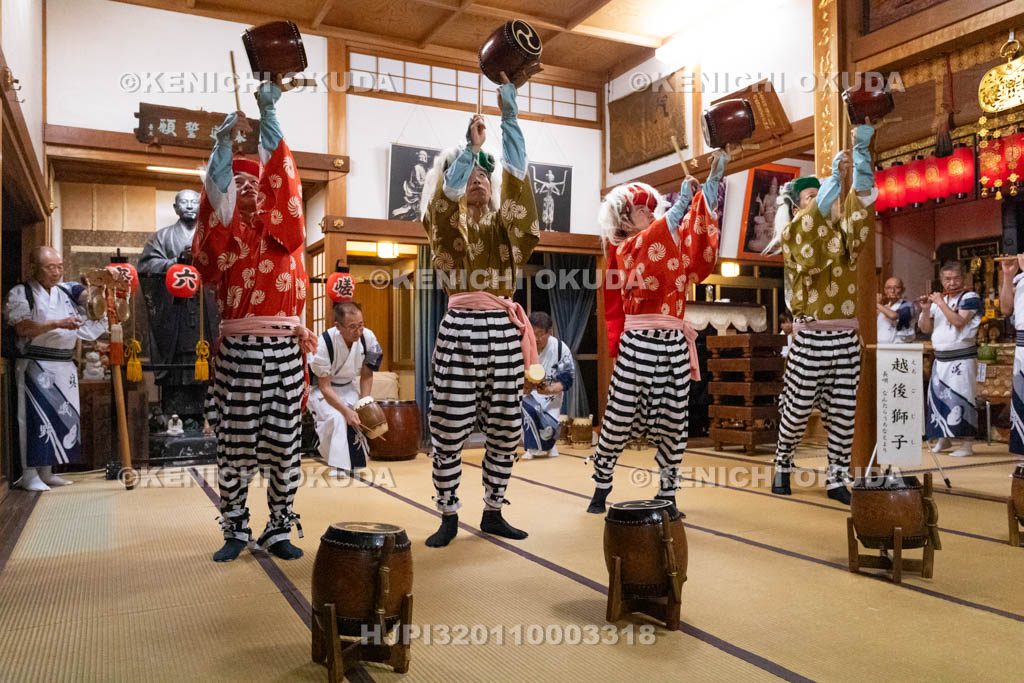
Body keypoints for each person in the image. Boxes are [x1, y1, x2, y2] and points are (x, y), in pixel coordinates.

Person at [192, 81, 314, 563]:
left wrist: (269, 116)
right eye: (237, 183)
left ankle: (279, 528)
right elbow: (215, 198)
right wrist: (222, 148)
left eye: (255, 182)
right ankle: (235, 529)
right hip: (239, 355)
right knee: (236, 447)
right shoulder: (227, 242)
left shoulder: (286, 235)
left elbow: (285, 178)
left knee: (284, 447)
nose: (247, 188)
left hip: (284, 352)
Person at [420, 78, 539, 547]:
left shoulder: (504, 227)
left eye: (485, 174)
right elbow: (443, 202)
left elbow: (520, 180)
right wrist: (468, 151)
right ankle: (448, 514)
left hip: (504, 331)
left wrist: (509, 116)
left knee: (507, 425)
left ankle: (493, 509)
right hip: (460, 330)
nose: (479, 179)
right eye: (471, 174)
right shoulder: (443, 220)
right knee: (448, 425)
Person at [587, 147, 730, 514]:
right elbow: (657, 236)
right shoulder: (626, 250)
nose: (651, 212)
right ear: (623, 219)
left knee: (675, 421)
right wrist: (682, 199)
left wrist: (714, 178)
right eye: (642, 208)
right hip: (640, 341)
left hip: (674, 343)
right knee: (618, 418)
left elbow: (696, 235)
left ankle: (668, 493)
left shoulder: (666, 240)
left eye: (653, 207)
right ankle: (601, 487)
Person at [765, 123, 876, 504]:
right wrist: (832, 178)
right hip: (810, 338)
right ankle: (783, 463)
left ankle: (835, 479)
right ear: (797, 206)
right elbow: (810, 241)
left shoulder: (843, 236)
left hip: (845, 338)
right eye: (810, 196)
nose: (820, 201)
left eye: (824, 194)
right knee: (796, 412)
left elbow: (860, 206)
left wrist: (861, 157)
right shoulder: (794, 236)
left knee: (844, 415)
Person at [5, 246, 108, 491]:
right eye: (50, 267)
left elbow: (86, 305)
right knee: (34, 419)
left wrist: (99, 289)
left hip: (64, 365)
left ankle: (48, 470)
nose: (57, 272)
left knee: (62, 417)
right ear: (34, 268)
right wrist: (58, 323)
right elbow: (23, 328)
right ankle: (29, 473)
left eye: (60, 266)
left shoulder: (65, 291)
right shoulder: (22, 293)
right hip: (36, 365)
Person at [138, 189, 218, 419]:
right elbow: (146, 266)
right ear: (176, 208)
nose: (190, 206)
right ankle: (174, 416)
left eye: (195, 202)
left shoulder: (211, 237)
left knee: (202, 357)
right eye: (184, 202)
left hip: (204, 309)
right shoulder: (162, 238)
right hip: (174, 311)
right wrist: (175, 263)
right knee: (177, 362)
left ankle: (204, 418)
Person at [307, 301, 383, 473]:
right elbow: (325, 386)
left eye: (361, 325)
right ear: (338, 326)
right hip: (323, 391)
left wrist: (364, 404)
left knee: (358, 420)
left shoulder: (368, 338)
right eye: (352, 327)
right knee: (337, 417)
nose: (358, 331)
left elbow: (367, 375)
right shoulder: (324, 344)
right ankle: (338, 467)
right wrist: (346, 410)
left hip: (349, 387)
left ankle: (354, 465)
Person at [918, 261, 982, 457]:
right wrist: (927, 309)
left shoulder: (970, 297)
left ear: (963, 279)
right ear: (942, 280)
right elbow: (926, 329)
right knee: (938, 399)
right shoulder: (940, 301)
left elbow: (958, 322)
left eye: (955, 278)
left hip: (961, 358)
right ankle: (942, 438)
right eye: (947, 279)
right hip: (941, 358)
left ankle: (967, 444)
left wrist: (940, 303)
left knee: (963, 397)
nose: (952, 283)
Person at [521, 311, 574, 459]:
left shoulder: (560, 349)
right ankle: (531, 448)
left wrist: (550, 389)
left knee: (549, 428)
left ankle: (549, 446)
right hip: (528, 395)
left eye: (540, 333)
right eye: (533, 333)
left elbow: (567, 380)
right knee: (527, 412)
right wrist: (525, 386)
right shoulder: (523, 347)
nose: (536, 338)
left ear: (549, 332)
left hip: (551, 397)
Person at [999, 255, 1024, 458]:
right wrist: (1008, 276)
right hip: (1022, 345)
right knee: (1021, 400)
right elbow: (1006, 309)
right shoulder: (1019, 280)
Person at [876, 276, 916, 344]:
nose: (892, 291)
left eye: (897, 287)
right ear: (885, 290)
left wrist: (877, 304)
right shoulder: (884, 308)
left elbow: (893, 316)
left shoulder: (908, 305)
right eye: (889, 288)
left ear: (903, 290)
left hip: (900, 348)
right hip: (882, 348)